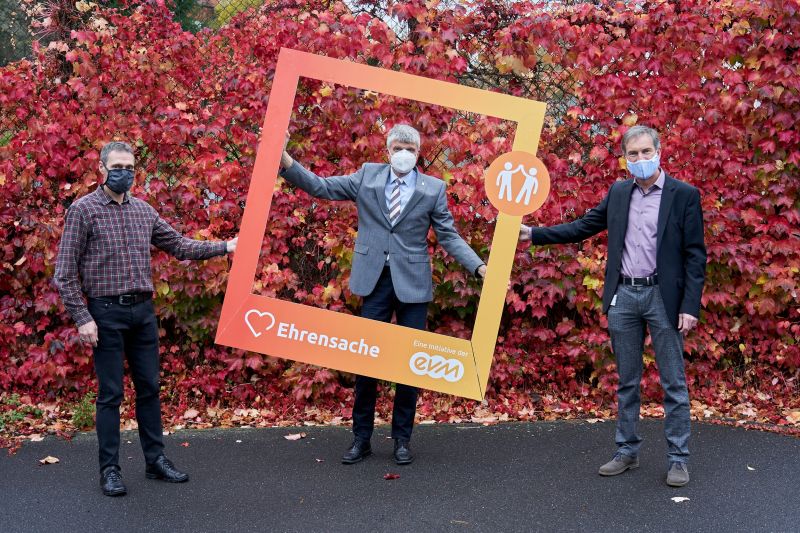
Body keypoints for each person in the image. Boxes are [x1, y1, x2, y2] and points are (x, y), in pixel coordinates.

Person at [279, 124, 486, 465]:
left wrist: (479, 267)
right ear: (388, 150)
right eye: (398, 147)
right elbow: (321, 187)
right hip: (373, 282)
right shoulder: (367, 177)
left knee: (409, 367)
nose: (404, 153)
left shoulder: (433, 188)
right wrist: (285, 159)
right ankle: (361, 439)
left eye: (411, 149)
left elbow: (448, 236)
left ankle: (402, 439)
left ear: (418, 154)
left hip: (413, 286)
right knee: (367, 363)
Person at [519, 125, 706, 487]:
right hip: (623, 297)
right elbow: (584, 226)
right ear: (625, 158)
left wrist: (690, 306)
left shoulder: (683, 195)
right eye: (632, 154)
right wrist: (536, 234)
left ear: (659, 150)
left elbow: (695, 255)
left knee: (673, 383)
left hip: (663, 298)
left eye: (646, 152)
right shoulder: (619, 192)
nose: (640, 159)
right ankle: (627, 451)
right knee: (627, 381)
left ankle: (678, 459)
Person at [54, 141, 238, 496]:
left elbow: (181, 246)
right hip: (104, 314)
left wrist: (226, 246)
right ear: (102, 170)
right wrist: (82, 317)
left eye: (130, 167)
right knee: (110, 394)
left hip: (142, 313)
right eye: (117, 166)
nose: (124, 173)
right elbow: (64, 273)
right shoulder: (83, 211)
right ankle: (109, 470)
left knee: (150, 389)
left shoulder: (143, 211)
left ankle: (155, 461)